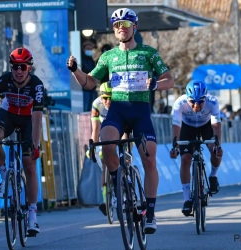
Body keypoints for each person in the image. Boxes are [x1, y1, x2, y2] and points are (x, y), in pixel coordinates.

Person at [66, 8, 174, 234]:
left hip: (140, 111)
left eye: (125, 24)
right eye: (116, 25)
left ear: (134, 27)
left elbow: (169, 79)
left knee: (149, 160)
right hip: (117, 111)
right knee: (106, 147)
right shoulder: (108, 57)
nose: (120, 28)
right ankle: (117, 182)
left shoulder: (148, 53)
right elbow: (89, 82)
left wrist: (155, 84)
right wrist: (76, 70)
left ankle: (151, 214)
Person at [0, 47, 43, 235]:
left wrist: (35, 146)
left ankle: (32, 216)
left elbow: (37, 119)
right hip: (9, 116)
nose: (18, 71)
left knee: (29, 163)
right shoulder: (4, 80)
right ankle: (5, 177)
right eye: (14, 67)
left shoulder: (37, 86)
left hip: (29, 120)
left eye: (22, 67)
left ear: (29, 67)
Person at [169, 80, 223, 216]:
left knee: (216, 152)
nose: (196, 105)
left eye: (200, 101)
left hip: (206, 126)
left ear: (206, 98)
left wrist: (218, 145)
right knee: (185, 160)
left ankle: (213, 176)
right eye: (192, 101)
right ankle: (187, 199)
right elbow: (176, 126)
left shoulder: (213, 102)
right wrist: (174, 146)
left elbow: (216, 126)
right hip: (187, 127)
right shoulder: (179, 104)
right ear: (187, 98)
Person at [85, 82, 112, 216]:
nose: (107, 101)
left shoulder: (119, 102)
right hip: (105, 132)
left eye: (110, 97)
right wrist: (93, 147)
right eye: (105, 98)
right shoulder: (96, 104)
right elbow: (95, 130)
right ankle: (106, 201)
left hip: (121, 129)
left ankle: (125, 189)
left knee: (124, 158)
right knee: (105, 164)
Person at [81, 39, 98, 112]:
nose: (90, 50)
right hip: (85, 90)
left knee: (93, 110)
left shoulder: (91, 59)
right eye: (88, 48)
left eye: (91, 49)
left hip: (92, 89)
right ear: (84, 49)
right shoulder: (82, 60)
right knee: (86, 110)